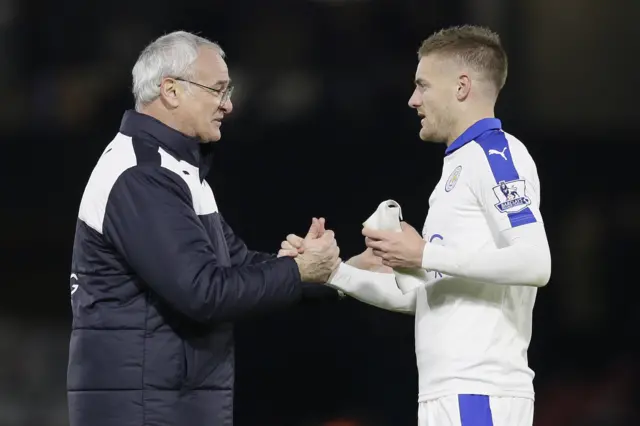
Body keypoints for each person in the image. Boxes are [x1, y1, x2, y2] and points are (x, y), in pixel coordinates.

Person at [67, 31, 341, 426]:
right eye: (218, 89)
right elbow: (205, 291)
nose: (229, 105)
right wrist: (300, 270)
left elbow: (238, 265)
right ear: (171, 91)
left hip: (167, 405)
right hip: (143, 411)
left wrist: (340, 274)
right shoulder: (141, 175)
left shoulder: (176, 171)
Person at [282, 25, 551, 426]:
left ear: (462, 86)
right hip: (447, 393)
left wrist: (423, 253)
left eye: (423, 85)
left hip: (480, 393)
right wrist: (334, 272)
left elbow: (535, 263)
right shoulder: (455, 171)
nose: (413, 100)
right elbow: (426, 298)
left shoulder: (496, 155)